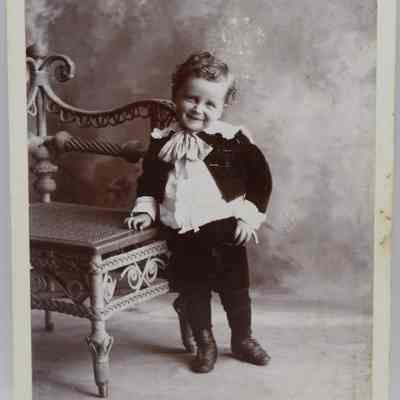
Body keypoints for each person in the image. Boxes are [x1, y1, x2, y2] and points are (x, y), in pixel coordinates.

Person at [125, 51, 272, 373]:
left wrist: (248, 217)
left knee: (235, 290)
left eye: (209, 104)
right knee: (194, 291)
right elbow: (150, 181)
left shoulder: (232, 140)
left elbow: (261, 180)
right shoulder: (162, 141)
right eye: (191, 98)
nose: (198, 109)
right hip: (183, 234)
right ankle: (205, 343)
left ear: (222, 107)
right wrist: (145, 210)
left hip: (225, 230)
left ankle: (243, 338)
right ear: (175, 95)